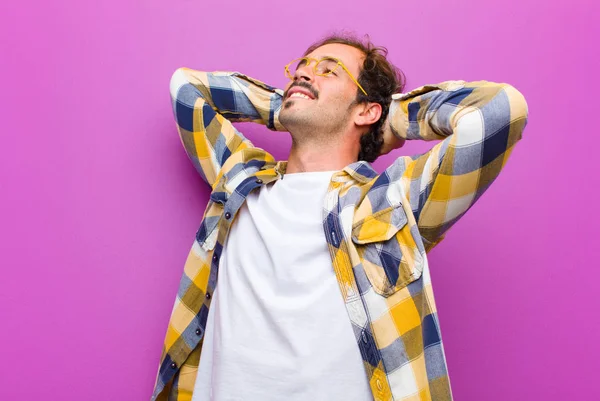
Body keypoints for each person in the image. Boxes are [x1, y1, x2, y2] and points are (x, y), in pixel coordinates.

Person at [150, 33, 529, 401]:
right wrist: (289, 102)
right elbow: (187, 88)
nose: (303, 74)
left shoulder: (394, 199)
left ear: (366, 110)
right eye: (302, 67)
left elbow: (501, 110)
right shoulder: (239, 178)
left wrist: (392, 118)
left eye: (329, 70)